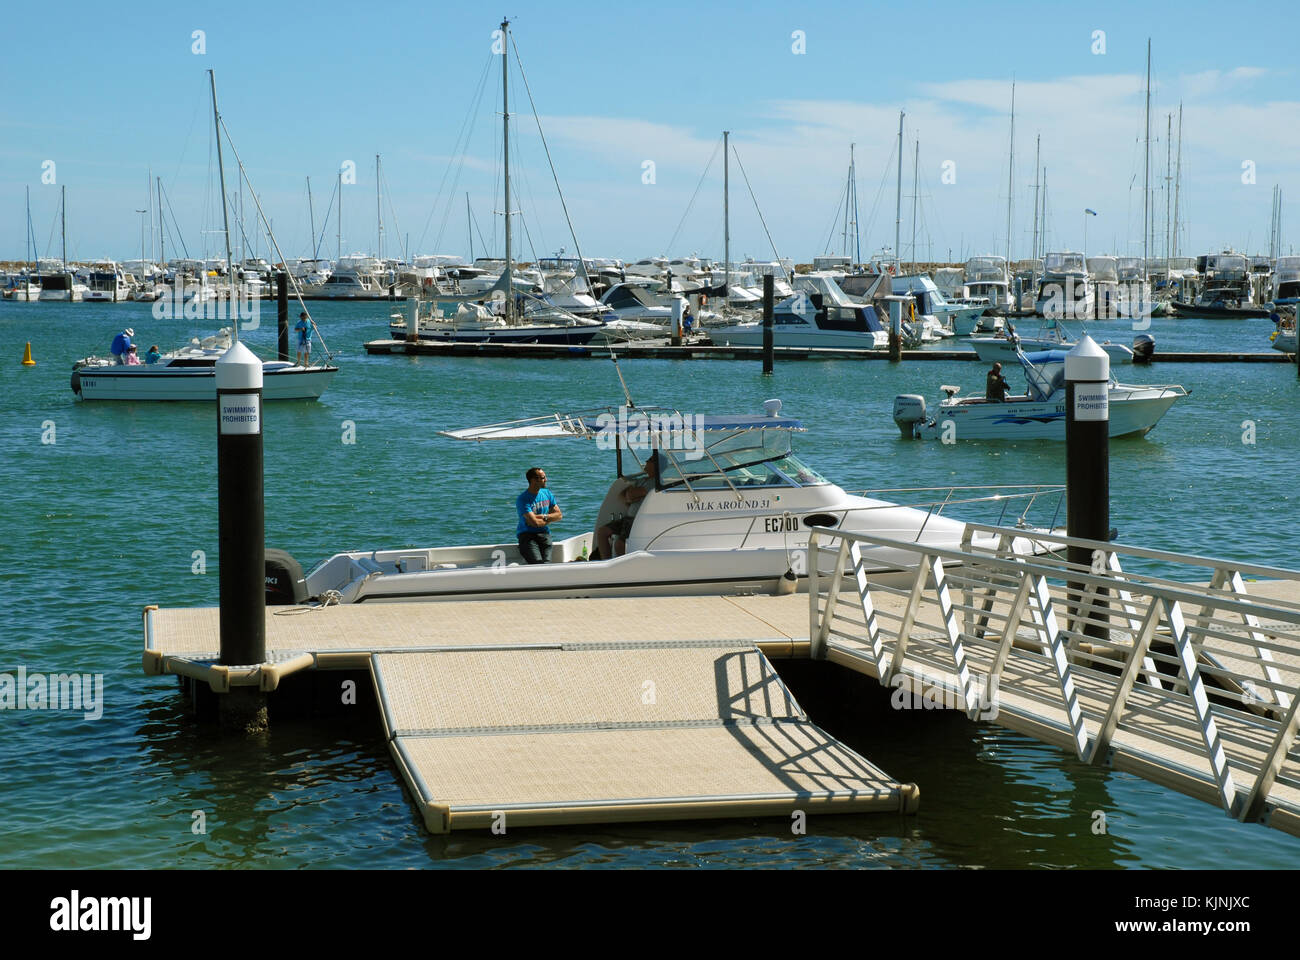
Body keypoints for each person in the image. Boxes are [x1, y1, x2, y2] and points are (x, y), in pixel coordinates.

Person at [595, 453, 658, 559]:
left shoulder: (656, 483)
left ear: (657, 465)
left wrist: (631, 496)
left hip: (638, 520)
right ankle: (605, 562)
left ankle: (624, 569)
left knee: (620, 545)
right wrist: (631, 496)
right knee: (602, 532)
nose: (646, 461)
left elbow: (633, 494)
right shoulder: (642, 480)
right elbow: (623, 496)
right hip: (628, 519)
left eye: (650, 460)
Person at [516, 467, 562, 564]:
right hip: (527, 536)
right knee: (537, 564)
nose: (546, 480)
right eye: (543, 477)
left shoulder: (547, 493)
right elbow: (535, 523)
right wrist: (549, 518)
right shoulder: (523, 499)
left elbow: (559, 515)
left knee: (546, 564)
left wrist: (543, 517)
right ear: (533, 480)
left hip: (544, 534)